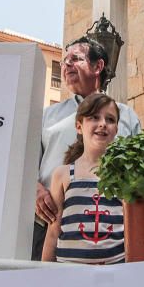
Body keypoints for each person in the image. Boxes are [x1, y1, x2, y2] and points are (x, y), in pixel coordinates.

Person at [33, 37, 140, 260]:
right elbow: (24, 164)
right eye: (63, 61)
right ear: (79, 126)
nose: (66, 65)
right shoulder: (47, 116)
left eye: (75, 59)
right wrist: (34, 189)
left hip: (111, 233)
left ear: (97, 66)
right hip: (48, 224)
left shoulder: (127, 117)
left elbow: (140, 172)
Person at [42, 93, 125, 264]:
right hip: (68, 275)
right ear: (79, 126)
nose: (103, 123)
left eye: (110, 119)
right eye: (94, 117)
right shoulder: (62, 174)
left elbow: (132, 229)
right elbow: (53, 232)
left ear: (116, 129)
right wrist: (43, 274)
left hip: (113, 274)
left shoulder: (123, 175)